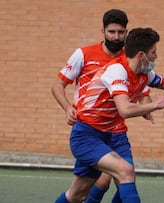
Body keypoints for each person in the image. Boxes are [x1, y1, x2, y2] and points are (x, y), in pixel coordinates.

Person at [53, 26, 164, 203]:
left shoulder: (144, 73)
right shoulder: (117, 70)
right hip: (87, 135)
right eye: (153, 52)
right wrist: (155, 105)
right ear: (141, 56)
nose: (156, 56)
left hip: (108, 135)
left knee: (77, 196)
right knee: (124, 171)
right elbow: (124, 109)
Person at [51, 9, 135, 203]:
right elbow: (58, 85)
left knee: (126, 177)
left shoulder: (128, 60)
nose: (116, 37)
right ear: (103, 31)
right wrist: (67, 108)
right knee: (79, 193)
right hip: (89, 128)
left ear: (126, 32)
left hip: (117, 131)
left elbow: (142, 88)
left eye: (121, 32)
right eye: (111, 32)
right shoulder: (84, 54)